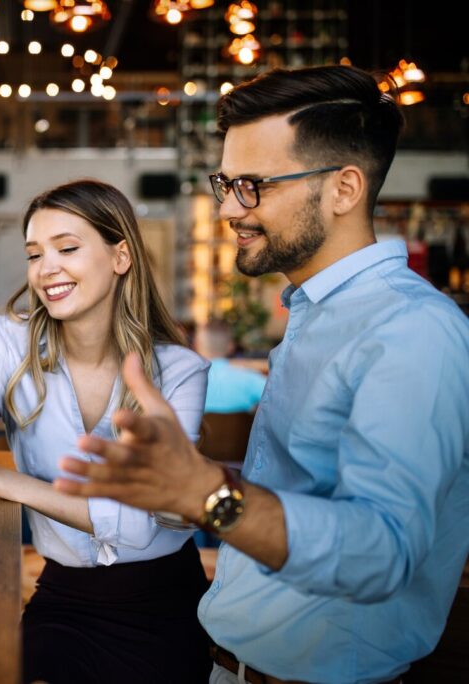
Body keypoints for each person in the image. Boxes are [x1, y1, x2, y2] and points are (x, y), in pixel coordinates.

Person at [56, 65, 469, 684]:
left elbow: (383, 551)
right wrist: (187, 479)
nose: (228, 208)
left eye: (252, 185)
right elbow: (304, 494)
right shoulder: (316, 311)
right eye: (225, 183)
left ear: (344, 189)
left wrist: (208, 493)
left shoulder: (410, 331)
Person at [0, 180, 212, 683]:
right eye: (34, 254)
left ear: (121, 256)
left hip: (166, 606)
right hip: (63, 596)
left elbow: (135, 527)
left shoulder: (180, 372)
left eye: (67, 248)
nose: (46, 270)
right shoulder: (8, 341)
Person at [193, 319, 265, 413]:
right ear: (231, 346)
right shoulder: (252, 378)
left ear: (197, 345)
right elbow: (278, 402)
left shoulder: (185, 381)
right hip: (241, 428)